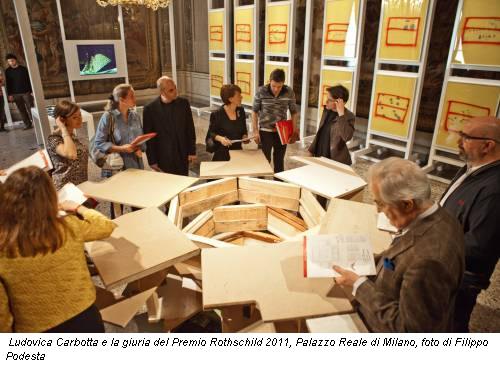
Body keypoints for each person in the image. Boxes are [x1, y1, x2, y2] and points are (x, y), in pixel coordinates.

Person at [334, 157, 465, 332]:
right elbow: (399, 257)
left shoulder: (429, 261)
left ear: (407, 204)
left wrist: (359, 285)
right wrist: (365, 260)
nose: (378, 210)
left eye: (380, 203)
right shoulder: (441, 216)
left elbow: (409, 330)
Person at [0, 166, 115, 332]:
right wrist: (78, 208)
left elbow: (2, 314)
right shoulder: (68, 226)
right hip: (85, 318)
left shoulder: (4, 245)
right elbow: (106, 226)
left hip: (36, 329)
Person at [440, 116, 500, 332]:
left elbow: (478, 247)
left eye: (465, 137)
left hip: (459, 277)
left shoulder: (494, 190)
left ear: (488, 145)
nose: (458, 141)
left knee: (451, 326)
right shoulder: (473, 166)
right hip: (445, 262)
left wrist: (429, 242)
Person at [143, 76, 196, 176]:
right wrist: (152, 160)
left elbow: (189, 129)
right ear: (162, 92)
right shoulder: (150, 109)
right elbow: (149, 137)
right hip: (163, 156)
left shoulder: (183, 103)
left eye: (175, 87)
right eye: (171, 90)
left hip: (182, 154)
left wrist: (192, 151)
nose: (175, 91)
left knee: (183, 183)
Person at [252, 69, 299, 173]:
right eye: (273, 86)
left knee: (279, 161)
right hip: (265, 131)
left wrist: (294, 130)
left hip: (282, 132)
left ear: (283, 83)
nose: (276, 89)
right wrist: (255, 131)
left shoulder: (289, 92)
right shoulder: (261, 91)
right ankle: (261, 185)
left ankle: (279, 184)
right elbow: (254, 112)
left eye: (279, 86)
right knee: (264, 161)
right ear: (270, 81)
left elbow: (294, 112)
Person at [94, 83, 145, 171]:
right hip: (117, 166)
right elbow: (99, 143)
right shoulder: (108, 117)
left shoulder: (135, 116)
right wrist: (121, 149)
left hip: (137, 163)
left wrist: (138, 148)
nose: (135, 99)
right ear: (122, 100)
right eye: (132, 96)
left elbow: (139, 139)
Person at [308, 84, 355, 165]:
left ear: (339, 102)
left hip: (335, 159)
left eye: (329, 100)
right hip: (319, 153)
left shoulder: (349, 116)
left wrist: (341, 114)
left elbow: (346, 137)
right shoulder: (326, 111)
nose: (326, 102)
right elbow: (320, 132)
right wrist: (311, 150)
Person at [46, 100, 88, 190]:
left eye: (80, 115)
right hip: (65, 188)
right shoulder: (54, 139)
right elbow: (71, 154)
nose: (80, 119)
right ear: (62, 119)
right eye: (74, 117)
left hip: (80, 185)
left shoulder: (72, 136)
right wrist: (63, 128)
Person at [206, 84, 249, 161]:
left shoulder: (241, 111)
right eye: (239, 95)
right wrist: (221, 139)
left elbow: (243, 130)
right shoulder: (217, 114)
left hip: (238, 153)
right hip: (222, 154)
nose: (241, 97)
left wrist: (245, 136)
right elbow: (211, 133)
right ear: (230, 99)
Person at [4, 53, 33, 130]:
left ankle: (36, 123)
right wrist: (10, 94)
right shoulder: (7, 71)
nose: (11, 63)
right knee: (21, 110)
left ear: (15, 60)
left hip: (26, 92)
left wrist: (31, 91)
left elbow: (29, 80)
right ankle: (27, 124)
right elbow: (8, 84)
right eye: (9, 62)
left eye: (12, 61)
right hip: (15, 94)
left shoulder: (23, 69)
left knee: (31, 109)